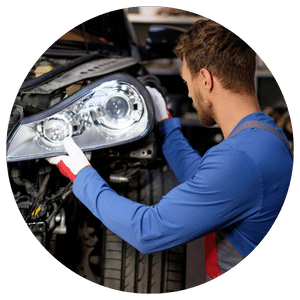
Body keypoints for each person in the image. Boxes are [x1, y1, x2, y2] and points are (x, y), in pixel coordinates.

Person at [47, 19, 293, 282]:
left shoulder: (241, 160)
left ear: (206, 79)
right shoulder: (265, 137)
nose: (188, 93)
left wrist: (82, 175)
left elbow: (147, 231)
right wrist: (167, 127)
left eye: (186, 81)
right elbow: (205, 180)